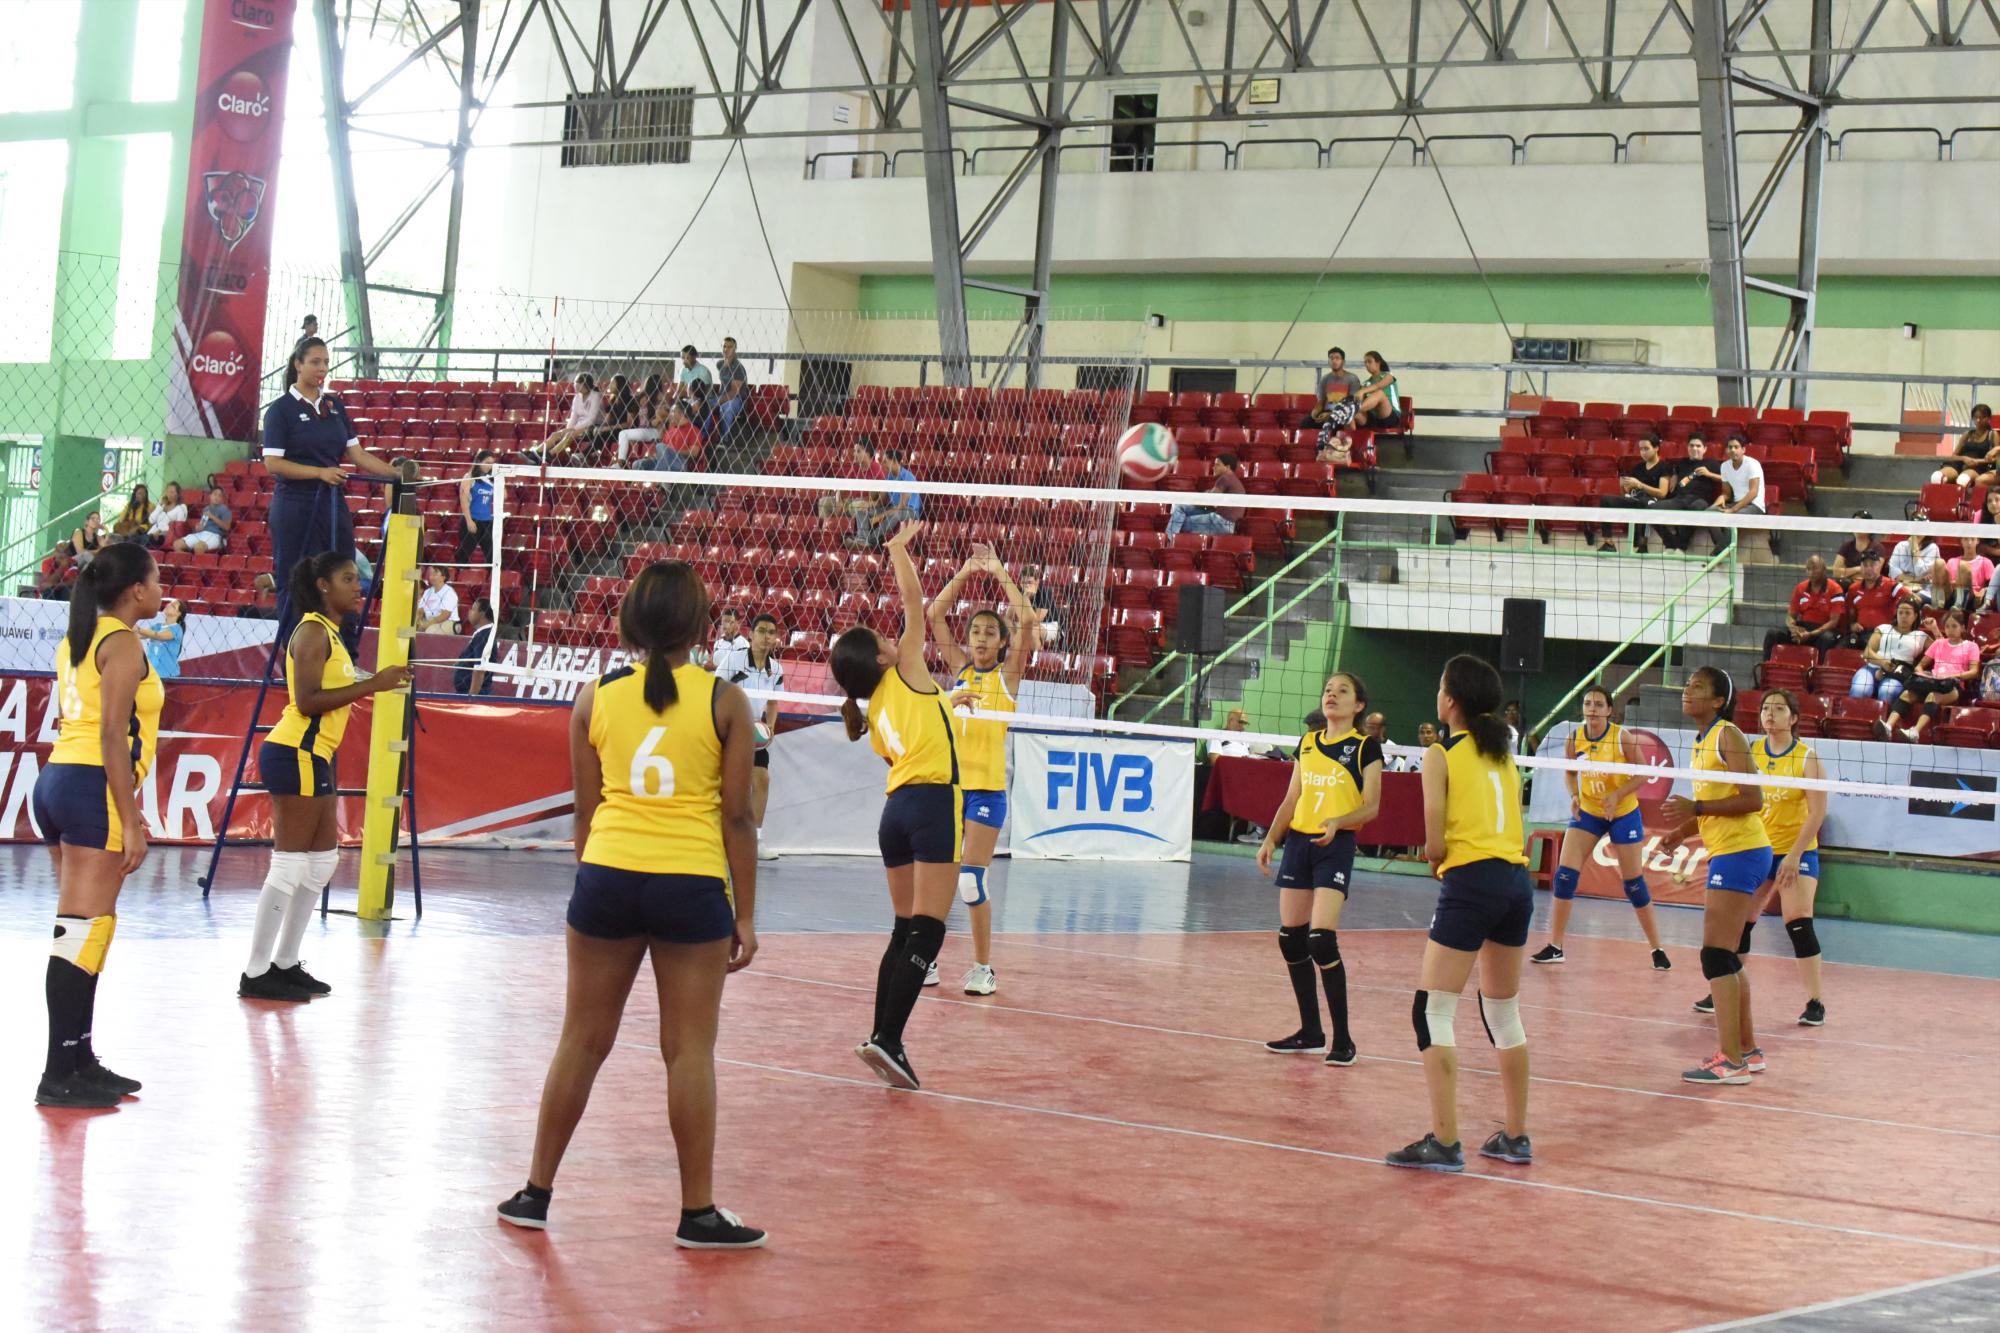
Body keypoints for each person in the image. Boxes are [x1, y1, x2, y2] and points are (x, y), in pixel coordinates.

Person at [495, 561, 764, 1248]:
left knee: (580, 1039)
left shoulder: (593, 698)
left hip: (608, 873)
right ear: (700, 626)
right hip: (691, 880)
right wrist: (746, 913)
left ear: (632, 622)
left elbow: (586, 813)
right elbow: (738, 819)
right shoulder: (727, 701)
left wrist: (600, 888)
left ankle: (534, 1192)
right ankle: (696, 1213)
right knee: (689, 1050)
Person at [240, 553, 411, 1001]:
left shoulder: (330, 634)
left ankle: (285, 963)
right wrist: (376, 684)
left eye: (358, 579)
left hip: (314, 755)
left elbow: (331, 688)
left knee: (320, 864)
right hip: (295, 750)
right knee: (291, 863)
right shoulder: (313, 631)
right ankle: (256, 972)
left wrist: (375, 679)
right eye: (348, 579)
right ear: (322, 586)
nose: (358, 587)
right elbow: (309, 701)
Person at [1386, 654, 1532, 1171]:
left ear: (1450, 699)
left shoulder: (1439, 754)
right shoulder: (1502, 751)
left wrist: (1436, 858)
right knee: (1502, 1012)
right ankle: (1516, 1136)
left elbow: (1432, 836)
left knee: (1432, 1010)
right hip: (1516, 882)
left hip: (1473, 881)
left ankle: (1445, 1143)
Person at [30, 542, 163, 1108]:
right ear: (135, 589)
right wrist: (131, 821)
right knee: (80, 934)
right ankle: (58, 1073)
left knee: (91, 929)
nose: (162, 591)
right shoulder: (125, 642)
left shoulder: (81, 635)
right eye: (157, 581)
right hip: (91, 788)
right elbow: (113, 735)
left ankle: (79, 1058)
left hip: (61, 780)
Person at [828, 522, 957, 1090]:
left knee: (903, 929)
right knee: (928, 932)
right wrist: (899, 549)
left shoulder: (874, 712)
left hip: (895, 813)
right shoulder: (904, 665)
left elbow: (915, 731)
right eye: (881, 640)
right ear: (881, 659)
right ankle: (888, 1039)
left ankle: (880, 1034)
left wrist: (949, 701)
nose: (890, 638)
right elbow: (913, 603)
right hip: (931, 806)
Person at [927, 543, 1037, 996]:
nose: (982, 638)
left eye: (991, 632)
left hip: (986, 792)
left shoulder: (1006, 678)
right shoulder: (959, 671)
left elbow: (1027, 621)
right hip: (950, 789)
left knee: (971, 881)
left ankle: (983, 967)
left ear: (1002, 642)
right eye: (977, 632)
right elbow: (935, 613)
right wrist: (967, 570)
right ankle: (926, 960)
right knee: (936, 878)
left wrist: (998, 571)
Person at [1257, 672, 1382, 1066]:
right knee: (1290, 940)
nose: (1332, 695)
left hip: (1335, 846)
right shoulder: (1308, 743)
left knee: (1321, 940)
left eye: (1342, 691)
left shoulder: (1366, 747)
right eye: (1328, 689)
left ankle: (1343, 1040)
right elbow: (1292, 797)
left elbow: (1372, 807)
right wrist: (1271, 838)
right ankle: (1311, 1031)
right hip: (1299, 843)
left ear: (1358, 705)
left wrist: (1338, 822)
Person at [1657, 666, 1771, 1087]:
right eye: (1687, 686)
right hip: (1733, 851)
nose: (1688, 692)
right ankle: (1748, 1051)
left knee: (1716, 956)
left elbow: (1753, 798)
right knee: (1725, 955)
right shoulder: (1702, 739)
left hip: (1742, 851)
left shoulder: (1728, 735)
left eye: (1698, 688)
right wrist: (1678, 833)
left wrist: (1696, 811)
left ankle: (1732, 1061)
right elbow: (1708, 803)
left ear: (1719, 699)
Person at [261, 339, 405, 620]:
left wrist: (397, 473)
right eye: (315, 362)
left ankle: (344, 651)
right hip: (296, 505)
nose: (322, 368)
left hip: (332, 504)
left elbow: (357, 454)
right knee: (298, 579)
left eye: (326, 362)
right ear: (298, 364)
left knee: (344, 575)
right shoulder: (280, 410)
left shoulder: (334, 405)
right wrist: (319, 472)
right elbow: (273, 464)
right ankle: (295, 652)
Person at [1530, 685, 1671, 970]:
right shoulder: (1575, 738)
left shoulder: (1622, 737)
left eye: (1598, 704)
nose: (1591, 708)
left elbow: (1644, 773)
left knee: (1633, 883)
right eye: (1587, 703)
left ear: (1609, 710)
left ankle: (1657, 948)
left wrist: (1617, 795)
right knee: (1565, 875)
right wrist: (1574, 795)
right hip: (1590, 811)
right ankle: (1556, 946)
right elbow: (1570, 773)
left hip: (1623, 813)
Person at [1744, 691, 1831, 1026]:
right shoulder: (1749, 751)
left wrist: (1794, 856)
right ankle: (1724, 987)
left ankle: (1815, 1002)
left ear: (1793, 718)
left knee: (1797, 921)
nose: (1770, 714)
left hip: (1797, 850)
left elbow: (1817, 812)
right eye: (1766, 708)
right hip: (1758, 848)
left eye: (1779, 709)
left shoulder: (1808, 758)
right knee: (1740, 922)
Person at [717, 611, 784, 862]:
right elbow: (716, 690)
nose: (766, 637)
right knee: (727, 784)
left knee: (762, 779)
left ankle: (756, 840)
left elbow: (775, 702)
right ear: (751, 634)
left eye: (771, 632)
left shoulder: (775, 669)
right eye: (761, 631)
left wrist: (771, 728)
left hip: (756, 733)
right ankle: (719, 837)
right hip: (731, 730)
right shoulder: (733, 661)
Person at [1875, 608, 1980, 742]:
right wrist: (1921, 673)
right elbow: (1920, 665)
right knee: (1907, 693)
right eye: (1947, 626)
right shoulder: (1938, 643)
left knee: (1932, 696)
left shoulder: (1971, 646)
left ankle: (1915, 732)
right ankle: (1888, 727)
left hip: (1952, 686)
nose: (1950, 630)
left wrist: (1954, 676)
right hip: (1933, 682)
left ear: (1963, 628)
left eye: (1954, 626)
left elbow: (1974, 671)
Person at [1585, 435, 1676, 553]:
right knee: (1606, 499)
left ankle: (1656, 543)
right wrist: (1622, 486)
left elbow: (1662, 493)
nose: (1643, 452)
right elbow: (1625, 495)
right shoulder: (1638, 468)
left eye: (1646, 449)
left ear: (1656, 448)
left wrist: (1640, 485)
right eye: (1641, 449)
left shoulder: (1664, 467)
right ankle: (1609, 543)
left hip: (1652, 501)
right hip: (1635, 500)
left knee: (1645, 503)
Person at [1762, 556, 1846, 657]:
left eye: (1815, 568)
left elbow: (1833, 622)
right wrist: (1793, 628)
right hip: (1803, 628)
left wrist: (1810, 634)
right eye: (1808, 569)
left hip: (1823, 630)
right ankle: (1766, 668)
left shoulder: (1835, 589)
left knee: (1827, 639)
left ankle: (1818, 671)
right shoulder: (1800, 588)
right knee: (1773, 633)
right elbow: (1790, 616)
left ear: (1824, 569)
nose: (1811, 572)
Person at [1850, 598, 1927, 707]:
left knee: (1887, 692)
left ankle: (1881, 722)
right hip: (1871, 669)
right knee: (1860, 689)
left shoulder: (1921, 636)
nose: (1903, 616)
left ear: (1915, 616)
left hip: (1897, 674)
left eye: (1907, 613)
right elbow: (1867, 653)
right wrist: (1882, 663)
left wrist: (1934, 629)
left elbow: (1943, 649)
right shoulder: (1883, 628)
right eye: (1900, 612)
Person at [1654, 435, 1724, 551]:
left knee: (1697, 507)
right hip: (1680, 499)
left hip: (1700, 500)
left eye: (1698, 446)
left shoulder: (1712, 463)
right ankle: (1670, 543)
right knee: (1651, 509)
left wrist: (1709, 474)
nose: (1695, 448)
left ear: (1704, 449)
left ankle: (1681, 546)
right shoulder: (1682, 463)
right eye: (1692, 445)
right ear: (1687, 448)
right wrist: (1675, 475)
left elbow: (1726, 479)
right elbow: (1677, 473)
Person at [852, 447, 921, 548]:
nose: (883, 465)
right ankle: (862, 539)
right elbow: (881, 499)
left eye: (885, 462)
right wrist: (870, 505)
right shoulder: (888, 476)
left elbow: (900, 507)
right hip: (892, 507)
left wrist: (880, 516)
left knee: (895, 515)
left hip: (909, 511)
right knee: (861, 509)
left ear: (894, 462)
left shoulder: (908, 478)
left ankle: (870, 541)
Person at [1164, 454, 1244, 540]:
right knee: (1180, 508)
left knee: (1179, 522)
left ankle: (1169, 542)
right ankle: (1171, 540)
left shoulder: (1225, 478)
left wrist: (1194, 501)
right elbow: (1211, 499)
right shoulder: (1234, 480)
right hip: (1226, 524)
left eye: (1217, 465)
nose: (1213, 467)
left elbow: (1209, 501)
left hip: (1220, 522)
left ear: (1227, 467)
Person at [536, 373, 603, 460]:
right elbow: (573, 417)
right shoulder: (577, 398)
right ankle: (536, 453)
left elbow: (592, 419)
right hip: (578, 426)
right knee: (556, 434)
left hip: (593, 427)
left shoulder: (596, 396)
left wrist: (573, 429)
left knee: (570, 434)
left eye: (576, 382)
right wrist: (567, 429)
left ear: (583, 384)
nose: (574, 385)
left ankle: (550, 455)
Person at [1842, 549, 1900, 648]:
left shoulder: (1891, 585)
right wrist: (1853, 624)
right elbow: (1850, 612)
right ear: (1860, 567)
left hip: (1883, 634)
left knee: (1867, 644)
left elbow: (1914, 599)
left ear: (1879, 566)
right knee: (1840, 649)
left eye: (1872, 565)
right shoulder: (1853, 589)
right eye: (1865, 565)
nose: (1868, 569)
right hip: (1860, 633)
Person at [818, 438, 885, 519]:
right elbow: (841, 488)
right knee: (823, 502)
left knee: (855, 505)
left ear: (867, 453)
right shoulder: (855, 467)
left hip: (864, 503)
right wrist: (839, 501)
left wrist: (871, 503)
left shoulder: (876, 468)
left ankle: (847, 527)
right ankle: (828, 527)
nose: (854, 454)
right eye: (854, 451)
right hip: (850, 501)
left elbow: (882, 495)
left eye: (858, 451)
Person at [1933, 403, 1997, 488]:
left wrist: (1977, 461)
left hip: (1978, 467)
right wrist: (1964, 458)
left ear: (1988, 418)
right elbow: (1954, 456)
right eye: (1975, 417)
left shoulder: (1992, 435)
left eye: (1982, 417)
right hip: (1959, 464)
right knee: (1936, 477)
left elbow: (1995, 458)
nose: (1978, 420)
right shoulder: (1967, 434)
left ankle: (1962, 501)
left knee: (1963, 480)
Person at [456, 451, 495, 565]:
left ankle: (491, 579)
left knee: (491, 555)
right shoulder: (469, 477)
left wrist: (500, 478)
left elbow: (505, 496)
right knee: (465, 552)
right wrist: (469, 521)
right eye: (487, 462)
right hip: (473, 519)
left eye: (492, 463)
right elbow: (463, 500)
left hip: (487, 521)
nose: (489, 466)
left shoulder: (491, 480)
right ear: (478, 462)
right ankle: (459, 575)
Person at [135, 598, 184, 682]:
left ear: (178, 613)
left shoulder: (177, 628)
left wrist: (138, 629)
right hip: (152, 673)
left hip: (168, 675)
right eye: (169, 603)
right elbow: (139, 635)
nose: (168, 605)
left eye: (173, 606)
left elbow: (160, 636)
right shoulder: (157, 626)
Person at [455, 597, 497, 696]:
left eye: (473, 609)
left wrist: (472, 696)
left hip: (475, 694)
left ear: (482, 614)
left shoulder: (484, 636)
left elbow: (479, 669)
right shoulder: (482, 634)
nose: (469, 611)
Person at [1012, 563, 1061, 647]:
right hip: (1025, 624)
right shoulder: (1019, 592)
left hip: (1049, 624)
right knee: (1006, 628)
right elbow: (1010, 616)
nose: (1026, 586)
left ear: (1037, 582)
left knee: (1033, 631)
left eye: (1029, 582)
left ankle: (1035, 658)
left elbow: (1035, 621)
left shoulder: (1045, 593)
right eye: (1024, 582)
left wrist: (1026, 598)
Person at [1716, 434, 1765, 516]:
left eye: (1736, 447)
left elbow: (1753, 492)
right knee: (1709, 514)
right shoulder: (1724, 466)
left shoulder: (1752, 464)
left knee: (1730, 517)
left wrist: (1733, 510)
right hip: (1735, 504)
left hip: (1754, 505)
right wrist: (1716, 504)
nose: (1733, 450)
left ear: (1743, 450)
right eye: (1730, 447)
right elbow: (1726, 494)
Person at [174, 486, 232, 554]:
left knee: (198, 547)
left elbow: (227, 527)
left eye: (220, 495)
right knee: (176, 544)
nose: (217, 497)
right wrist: (198, 527)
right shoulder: (206, 509)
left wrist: (213, 517)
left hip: (216, 536)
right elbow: (202, 524)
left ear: (222, 499)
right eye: (215, 494)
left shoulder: (225, 510)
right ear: (210, 496)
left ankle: (197, 563)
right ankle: (190, 559)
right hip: (202, 534)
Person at [1886, 531, 1941, 601]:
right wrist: (1917, 579)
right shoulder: (1901, 546)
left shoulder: (1932, 548)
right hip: (1902, 588)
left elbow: (1921, 572)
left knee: (1911, 599)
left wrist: (1914, 547)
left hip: (1923, 591)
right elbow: (1894, 574)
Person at [713, 337, 749, 438]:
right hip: (723, 396)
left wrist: (718, 402)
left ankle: (725, 439)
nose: (726, 349)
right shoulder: (720, 364)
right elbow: (722, 383)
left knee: (726, 408)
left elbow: (733, 393)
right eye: (724, 346)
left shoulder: (738, 368)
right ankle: (705, 437)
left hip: (736, 400)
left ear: (735, 349)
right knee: (703, 405)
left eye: (730, 347)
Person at [1830, 513, 1882, 582]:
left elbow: (1873, 573)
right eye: (1855, 524)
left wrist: (1847, 573)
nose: (1857, 527)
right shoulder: (1846, 546)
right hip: (1847, 585)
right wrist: (1858, 569)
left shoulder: (1877, 547)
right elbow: (1836, 572)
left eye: (1860, 524)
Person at [415, 566, 460, 634]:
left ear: (443, 577)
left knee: (430, 631)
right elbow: (420, 611)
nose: (431, 576)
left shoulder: (449, 592)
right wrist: (417, 621)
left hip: (449, 622)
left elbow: (445, 615)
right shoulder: (428, 592)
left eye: (435, 573)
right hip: (429, 620)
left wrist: (428, 624)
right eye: (431, 574)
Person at [145, 480, 187, 548]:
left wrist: (161, 531)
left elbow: (178, 527)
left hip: (166, 536)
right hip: (152, 533)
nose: (169, 494)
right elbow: (151, 520)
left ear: (178, 494)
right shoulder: (162, 505)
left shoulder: (181, 507)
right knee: (134, 539)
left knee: (145, 541)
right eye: (167, 492)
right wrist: (160, 506)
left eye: (172, 492)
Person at [710, 608, 749, 673]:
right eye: (724, 621)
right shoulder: (718, 643)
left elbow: (741, 673)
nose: (726, 625)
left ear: (738, 623)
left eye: (729, 622)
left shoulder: (743, 645)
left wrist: (715, 668)